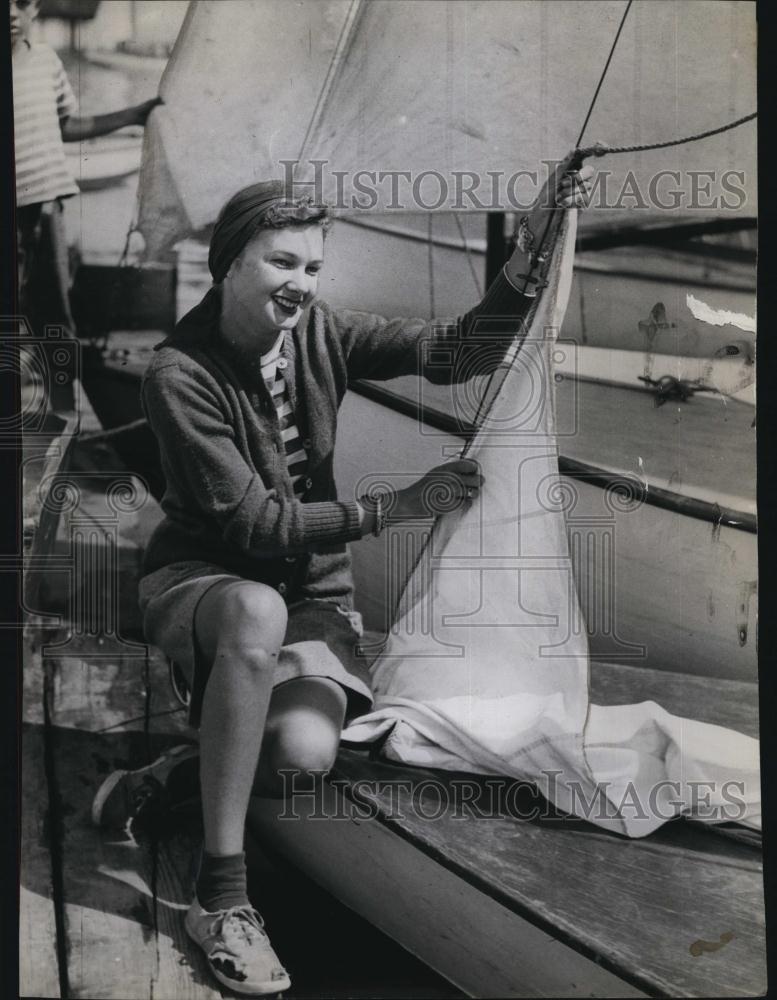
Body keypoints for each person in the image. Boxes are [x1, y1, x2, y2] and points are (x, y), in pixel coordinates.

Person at [92, 165, 591, 994]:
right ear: (228, 265)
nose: (299, 285)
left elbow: (459, 352)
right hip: (203, 583)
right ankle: (222, 897)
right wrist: (398, 506)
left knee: (302, 755)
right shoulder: (178, 374)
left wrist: (530, 249)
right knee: (250, 610)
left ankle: (179, 774)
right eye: (281, 263)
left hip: (311, 599)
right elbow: (256, 526)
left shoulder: (321, 332)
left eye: (312, 268)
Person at [11, 0, 160, 408]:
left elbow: (67, 125)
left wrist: (134, 114)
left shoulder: (46, 61)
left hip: (45, 208)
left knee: (54, 314)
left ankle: (63, 411)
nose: (10, 12)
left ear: (35, 8)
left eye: (20, 3)